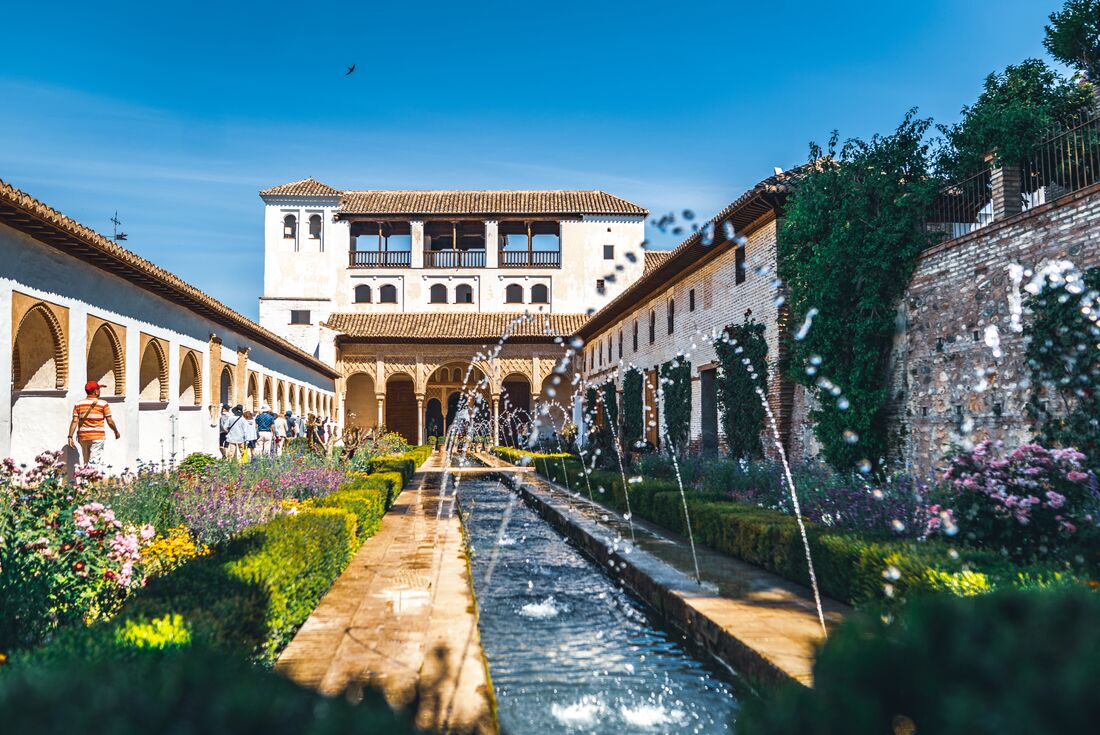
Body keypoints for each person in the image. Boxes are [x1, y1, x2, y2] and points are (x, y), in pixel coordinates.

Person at [67, 381, 121, 467]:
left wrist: (70, 437)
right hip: (97, 437)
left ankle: (85, 475)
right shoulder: (103, 404)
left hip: (83, 437)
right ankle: (90, 475)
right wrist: (116, 431)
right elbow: (109, 421)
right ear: (96, 391)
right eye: (99, 389)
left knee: (86, 462)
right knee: (93, 464)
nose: (100, 391)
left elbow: (74, 421)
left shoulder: (78, 404)